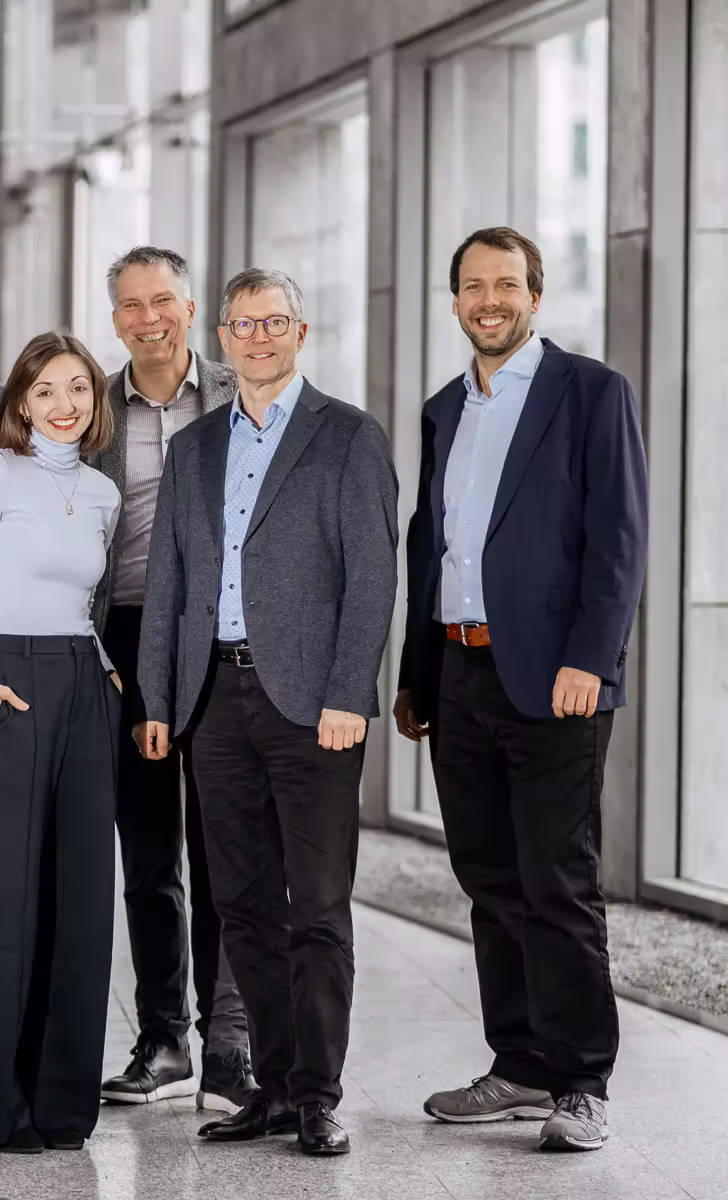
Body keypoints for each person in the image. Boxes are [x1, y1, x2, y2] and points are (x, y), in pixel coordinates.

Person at [397, 228, 648, 1152]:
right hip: (460, 673)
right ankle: (520, 1065)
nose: (489, 300)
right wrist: (418, 675)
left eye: (507, 284)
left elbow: (618, 540)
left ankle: (582, 1082)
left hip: (556, 679)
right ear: (455, 299)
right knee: (489, 878)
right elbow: (434, 549)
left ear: (535, 295)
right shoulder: (443, 409)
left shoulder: (590, 394)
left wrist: (593, 657)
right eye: (473, 286)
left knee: (558, 882)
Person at [139, 268, 397, 1157]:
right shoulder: (196, 447)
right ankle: (276, 1088)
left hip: (309, 707)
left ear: (300, 330)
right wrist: (161, 701)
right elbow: (168, 585)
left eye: (274, 322)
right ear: (224, 332)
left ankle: (319, 1095)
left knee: (317, 908)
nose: (257, 338)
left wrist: (345, 696)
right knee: (241, 904)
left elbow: (371, 582)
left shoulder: (350, 439)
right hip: (215, 703)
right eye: (243, 324)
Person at [0, 332, 121, 1153]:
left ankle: (63, 1108)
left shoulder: (102, 492)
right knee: (2, 898)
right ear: (20, 403)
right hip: (5, 679)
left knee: (81, 898)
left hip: (85, 682)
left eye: (78, 387)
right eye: (47, 389)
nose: (65, 403)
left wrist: (108, 675)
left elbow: (91, 600)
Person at [87, 247, 253, 1113]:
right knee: (148, 851)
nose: (147, 318)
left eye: (162, 302)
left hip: (221, 635)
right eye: (129, 305)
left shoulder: (243, 389)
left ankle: (232, 1037)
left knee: (226, 844)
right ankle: (164, 1038)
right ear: (114, 318)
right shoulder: (91, 408)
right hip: (123, 638)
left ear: (191, 310)